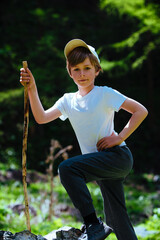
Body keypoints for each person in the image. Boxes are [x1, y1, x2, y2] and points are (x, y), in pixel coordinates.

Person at [20, 39, 148, 240]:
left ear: (97, 70)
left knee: (68, 169)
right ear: (70, 72)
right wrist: (32, 87)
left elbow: (140, 111)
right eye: (76, 69)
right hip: (100, 163)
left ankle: (92, 224)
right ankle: (104, 227)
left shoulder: (104, 93)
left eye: (87, 68)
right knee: (116, 219)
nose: (82, 74)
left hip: (117, 156)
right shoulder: (67, 101)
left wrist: (120, 136)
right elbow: (41, 117)